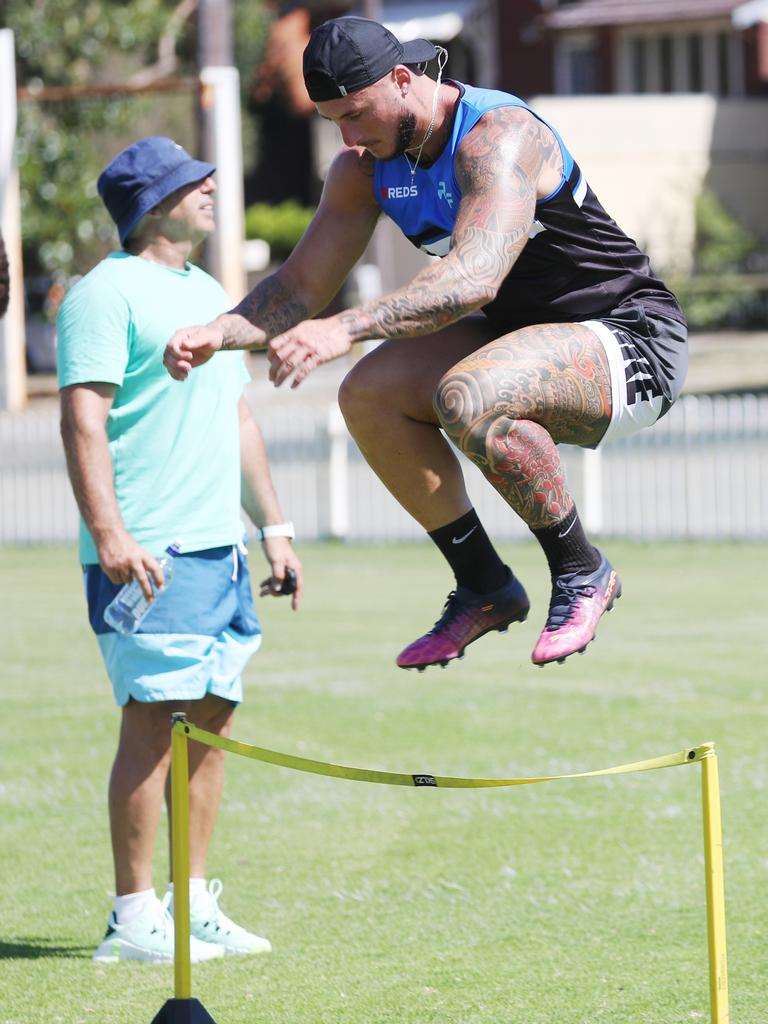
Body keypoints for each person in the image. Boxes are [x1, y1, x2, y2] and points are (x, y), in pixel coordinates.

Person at [164, 17, 687, 672]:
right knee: (368, 395)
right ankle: (484, 585)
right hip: (517, 339)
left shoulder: (496, 137)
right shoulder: (365, 170)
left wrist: (344, 327)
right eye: (334, 123)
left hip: (630, 338)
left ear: (404, 79)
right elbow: (298, 289)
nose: (350, 137)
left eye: (356, 114)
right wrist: (220, 330)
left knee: (469, 395)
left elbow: (475, 277)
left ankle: (583, 570)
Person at [57, 136, 303, 964]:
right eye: (193, 182)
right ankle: (133, 918)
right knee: (153, 724)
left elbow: (236, 417)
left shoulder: (207, 292)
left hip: (218, 552)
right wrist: (110, 534)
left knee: (213, 720)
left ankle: (191, 905)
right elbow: (82, 418)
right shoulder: (103, 295)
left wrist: (272, 529)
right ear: (154, 203)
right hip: (149, 553)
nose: (210, 188)